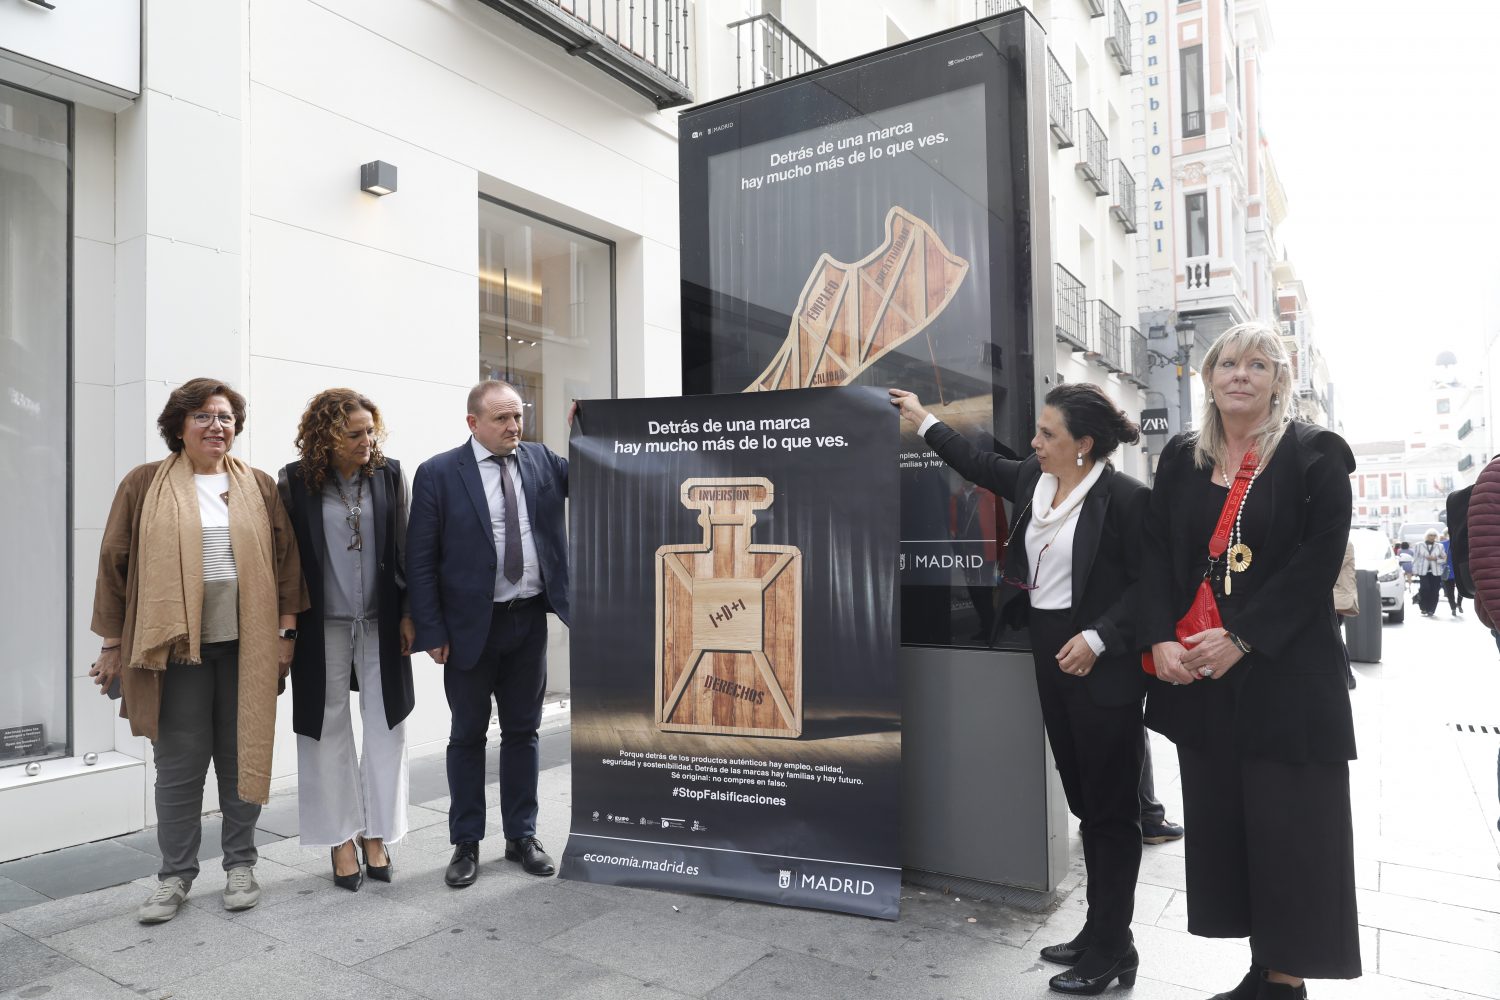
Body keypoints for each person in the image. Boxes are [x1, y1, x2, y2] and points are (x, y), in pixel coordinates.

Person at [891, 382, 1150, 996]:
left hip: (1101, 661)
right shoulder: (1037, 480)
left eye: (1047, 433)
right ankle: (1100, 931)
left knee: (1112, 811)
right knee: (1085, 801)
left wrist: (1100, 638)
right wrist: (922, 418)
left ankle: (1114, 946)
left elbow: (1153, 586)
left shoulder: (1125, 499)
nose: (1033, 442)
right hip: (1048, 649)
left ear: (1084, 444)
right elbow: (977, 462)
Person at [1141, 323, 1360, 999]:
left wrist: (1242, 639)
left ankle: (1285, 981)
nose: (1241, 374)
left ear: (1278, 381)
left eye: (1258, 365)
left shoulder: (1315, 455)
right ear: (1208, 377)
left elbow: (1317, 562)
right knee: (1230, 827)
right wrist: (1158, 637)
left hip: (1286, 676)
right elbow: (1155, 554)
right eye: (1229, 362)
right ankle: (1262, 971)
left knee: (1291, 831)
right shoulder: (1181, 458)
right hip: (1204, 678)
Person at [90, 378, 306, 924]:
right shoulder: (144, 483)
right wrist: (112, 643)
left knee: (242, 758)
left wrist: (285, 636)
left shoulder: (257, 484)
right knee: (179, 768)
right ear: (179, 426)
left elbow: (286, 564)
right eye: (204, 416)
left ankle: (241, 866)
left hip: (246, 648)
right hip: (175, 653)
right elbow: (114, 563)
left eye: (226, 417)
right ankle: (175, 876)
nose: (216, 426)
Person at [408, 379, 570, 888]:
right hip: (468, 629)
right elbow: (420, 561)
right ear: (473, 423)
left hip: (528, 621)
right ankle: (466, 842)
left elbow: (596, 476)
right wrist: (432, 629)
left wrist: (588, 430)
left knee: (523, 732)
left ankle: (522, 836)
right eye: (502, 418)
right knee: (467, 735)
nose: (514, 426)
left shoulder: (542, 460)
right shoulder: (439, 473)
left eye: (518, 415)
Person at [279, 389, 415, 891]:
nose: (367, 441)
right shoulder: (294, 482)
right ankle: (339, 838)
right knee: (325, 728)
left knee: (387, 725)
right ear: (326, 438)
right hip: (322, 624)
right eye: (354, 434)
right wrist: (285, 630)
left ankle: (376, 833)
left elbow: (406, 548)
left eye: (370, 431)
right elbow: (287, 563)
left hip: (383, 621)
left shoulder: (390, 474)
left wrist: (409, 613)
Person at [1333, 541, 1358, 690]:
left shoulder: (1345, 543)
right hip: (1330, 597)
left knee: (1335, 638)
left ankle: (1348, 676)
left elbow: (1332, 565)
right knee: (1334, 637)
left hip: (1336, 598)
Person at [1411, 529, 1446, 618]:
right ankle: (1423, 607)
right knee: (1425, 588)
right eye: (1430, 535)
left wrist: (1436, 559)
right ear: (1427, 536)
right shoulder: (1419, 545)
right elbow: (1415, 558)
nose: (1432, 537)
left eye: (1434, 535)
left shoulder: (1440, 546)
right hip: (1423, 571)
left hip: (1436, 572)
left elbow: (1444, 559)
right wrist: (1414, 570)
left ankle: (1431, 609)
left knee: (1435, 590)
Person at [1441, 530, 1464, 617]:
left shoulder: (1461, 543)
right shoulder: (1442, 544)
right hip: (1448, 571)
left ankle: (1459, 603)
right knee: (1450, 592)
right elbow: (1439, 557)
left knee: (1461, 589)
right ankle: (1453, 607)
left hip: (1459, 571)